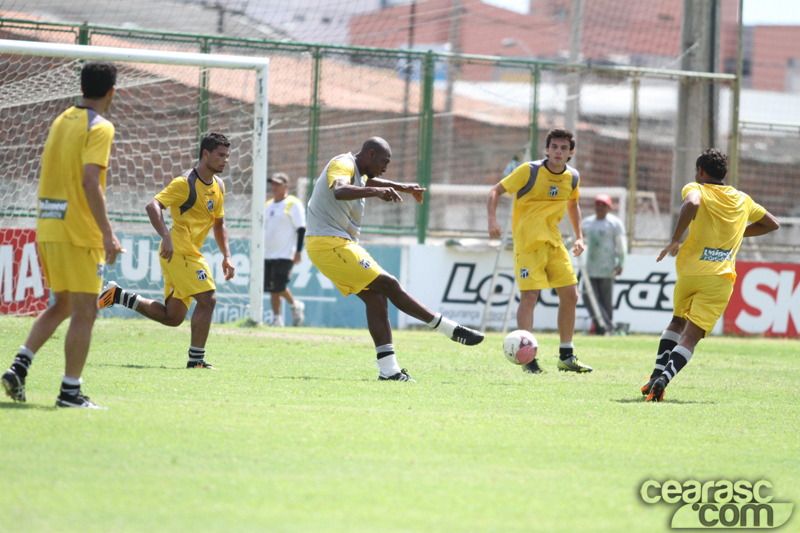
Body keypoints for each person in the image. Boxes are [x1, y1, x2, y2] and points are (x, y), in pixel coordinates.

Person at [305, 137, 484, 382]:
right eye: (384, 161)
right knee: (389, 284)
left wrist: (403, 187)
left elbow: (369, 180)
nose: (385, 168)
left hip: (333, 244)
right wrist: (377, 192)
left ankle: (389, 371)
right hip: (329, 244)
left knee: (377, 298)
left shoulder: (358, 172)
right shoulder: (342, 164)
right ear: (370, 154)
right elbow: (340, 190)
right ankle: (447, 328)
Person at [1, 61, 124, 408]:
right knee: (86, 311)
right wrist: (108, 234)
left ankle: (19, 366)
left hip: (49, 225)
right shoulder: (101, 127)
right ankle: (70, 393)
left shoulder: (61, 119)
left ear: (81, 87)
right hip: (78, 231)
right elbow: (89, 181)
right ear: (112, 92)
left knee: (64, 303)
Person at [642, 149, 779, 402]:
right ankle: (664, 379)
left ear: (701, 171)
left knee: (677, 321)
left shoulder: (696, 188)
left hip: (689, 271)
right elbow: (772, 224)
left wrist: (675, 239)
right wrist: (737, 232)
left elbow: (692, 203)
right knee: (691, 337)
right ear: (724, 173)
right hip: (719, 277)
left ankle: (655, 374)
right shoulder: (743, 199)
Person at [97, 132, 235, 370]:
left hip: (187, 252)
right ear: (206, 154)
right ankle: (196, 361)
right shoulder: (185, 183)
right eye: (221, 155)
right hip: (179, 250)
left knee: (173, 317)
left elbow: (219, 223)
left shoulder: (219, 186)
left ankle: (118, 296)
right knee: (208, 299)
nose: (226, 160)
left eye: (227, 156)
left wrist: (227, 256)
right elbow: (153, 206)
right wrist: (166, 236)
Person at [487, 128, 593, 374]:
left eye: (563, 148)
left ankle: (566, 356)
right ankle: (528, 359)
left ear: (571, 152)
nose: (558, 152)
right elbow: (495, 191)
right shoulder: (529, 171)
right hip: (528, 245)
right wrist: (492, 220)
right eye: (554, 147)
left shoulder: (572, 177)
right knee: (530, 297)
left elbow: (573, 204)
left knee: (571, 295)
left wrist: (579, 236)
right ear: (547, 149)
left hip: (554, 244)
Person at [263, 172, 306, 327]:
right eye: (272, 183)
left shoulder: (293, 203)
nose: (274, 186)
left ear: (286, 186)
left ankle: (295, 305)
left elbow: (301, 228)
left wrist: (299, 251)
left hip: (285, 253)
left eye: (278, 184)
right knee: (272, 288)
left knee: (279, 286)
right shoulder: (268, 205)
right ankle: (277, 319)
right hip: (267, 253)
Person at [581, 193, 627, 335]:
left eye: (603, 205)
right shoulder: (587, 223)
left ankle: (603, 329)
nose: (600, 207)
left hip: (608, 268)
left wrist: (620, 263)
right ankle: (607, 326)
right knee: (588, 297)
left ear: (609, 207)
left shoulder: (614, 223)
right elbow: (577, 238)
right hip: (590, 269)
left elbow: (621, 245)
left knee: (606, 301)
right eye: (598, 204)